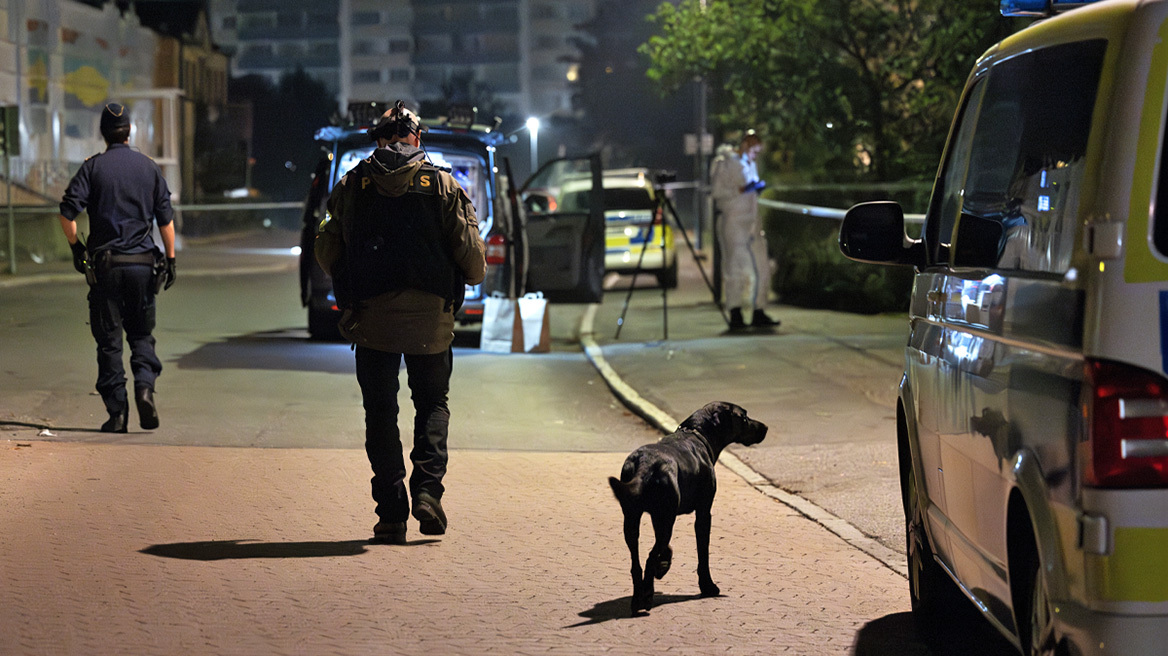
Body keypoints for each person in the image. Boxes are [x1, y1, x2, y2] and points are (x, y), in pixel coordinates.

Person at [315, 101, 486, 545]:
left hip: (370, 320)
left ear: (378, 139)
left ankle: (391, 512)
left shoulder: (353, 185)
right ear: (416, 138)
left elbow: (327, 253)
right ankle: (427, 492)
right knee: (432, 405)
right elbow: (473, 262)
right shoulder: (443, 186)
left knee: (380, 412)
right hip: (432, 321)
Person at [58, 102, 177, 433]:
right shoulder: (149, 168)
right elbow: (166, 222)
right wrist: (170, 260)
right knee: (141, 334)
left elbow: (67, 214)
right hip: (142, 265)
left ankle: (117, 414)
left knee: (109, 341)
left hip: (106, 267)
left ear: (103, 133)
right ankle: (144, 388)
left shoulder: (92, 168)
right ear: (129, 131)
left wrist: (76, 249)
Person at [710, 130, 779, 331]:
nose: (756, 155)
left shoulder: (751, 164)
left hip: (752, 221)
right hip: (733, 220)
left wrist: (753, 189)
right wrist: (740, 190)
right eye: (754, 149)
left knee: (762, 266)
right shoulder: (725, 162)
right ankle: (736, 313)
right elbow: (717, 192)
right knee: (736, 268)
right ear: (746, 145)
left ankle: (759, 310)